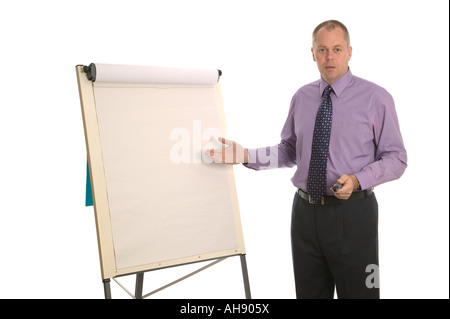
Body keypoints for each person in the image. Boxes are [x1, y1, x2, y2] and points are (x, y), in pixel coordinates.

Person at [206, 20, 407, 299]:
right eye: (322, 49)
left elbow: (396, 158)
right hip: (304, 215)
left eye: (337, 49)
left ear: (350, 52)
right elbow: (290, 150)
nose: (330, 57)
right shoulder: (302, 97)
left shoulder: (377, 98)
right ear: (312, 53)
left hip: (353, 216)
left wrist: (358, 179)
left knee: (362, 293)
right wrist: (247, 155)